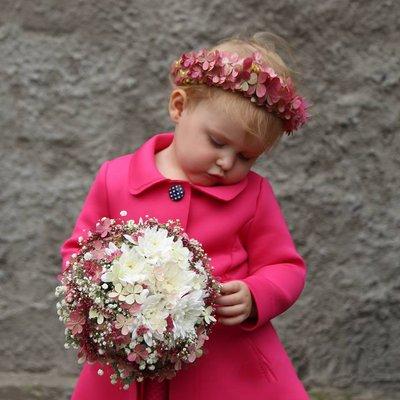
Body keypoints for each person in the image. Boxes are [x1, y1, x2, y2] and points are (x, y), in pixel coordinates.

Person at [60, 31, 311, 400]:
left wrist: (255, 294)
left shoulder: (253, 195)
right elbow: (79, 252)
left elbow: (286, 266)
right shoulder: (116, 179)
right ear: (179, 107)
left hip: (223, 361)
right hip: (131, 354)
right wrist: (97, 293)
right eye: (217, 142)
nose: (227, 162)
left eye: (246, 157)